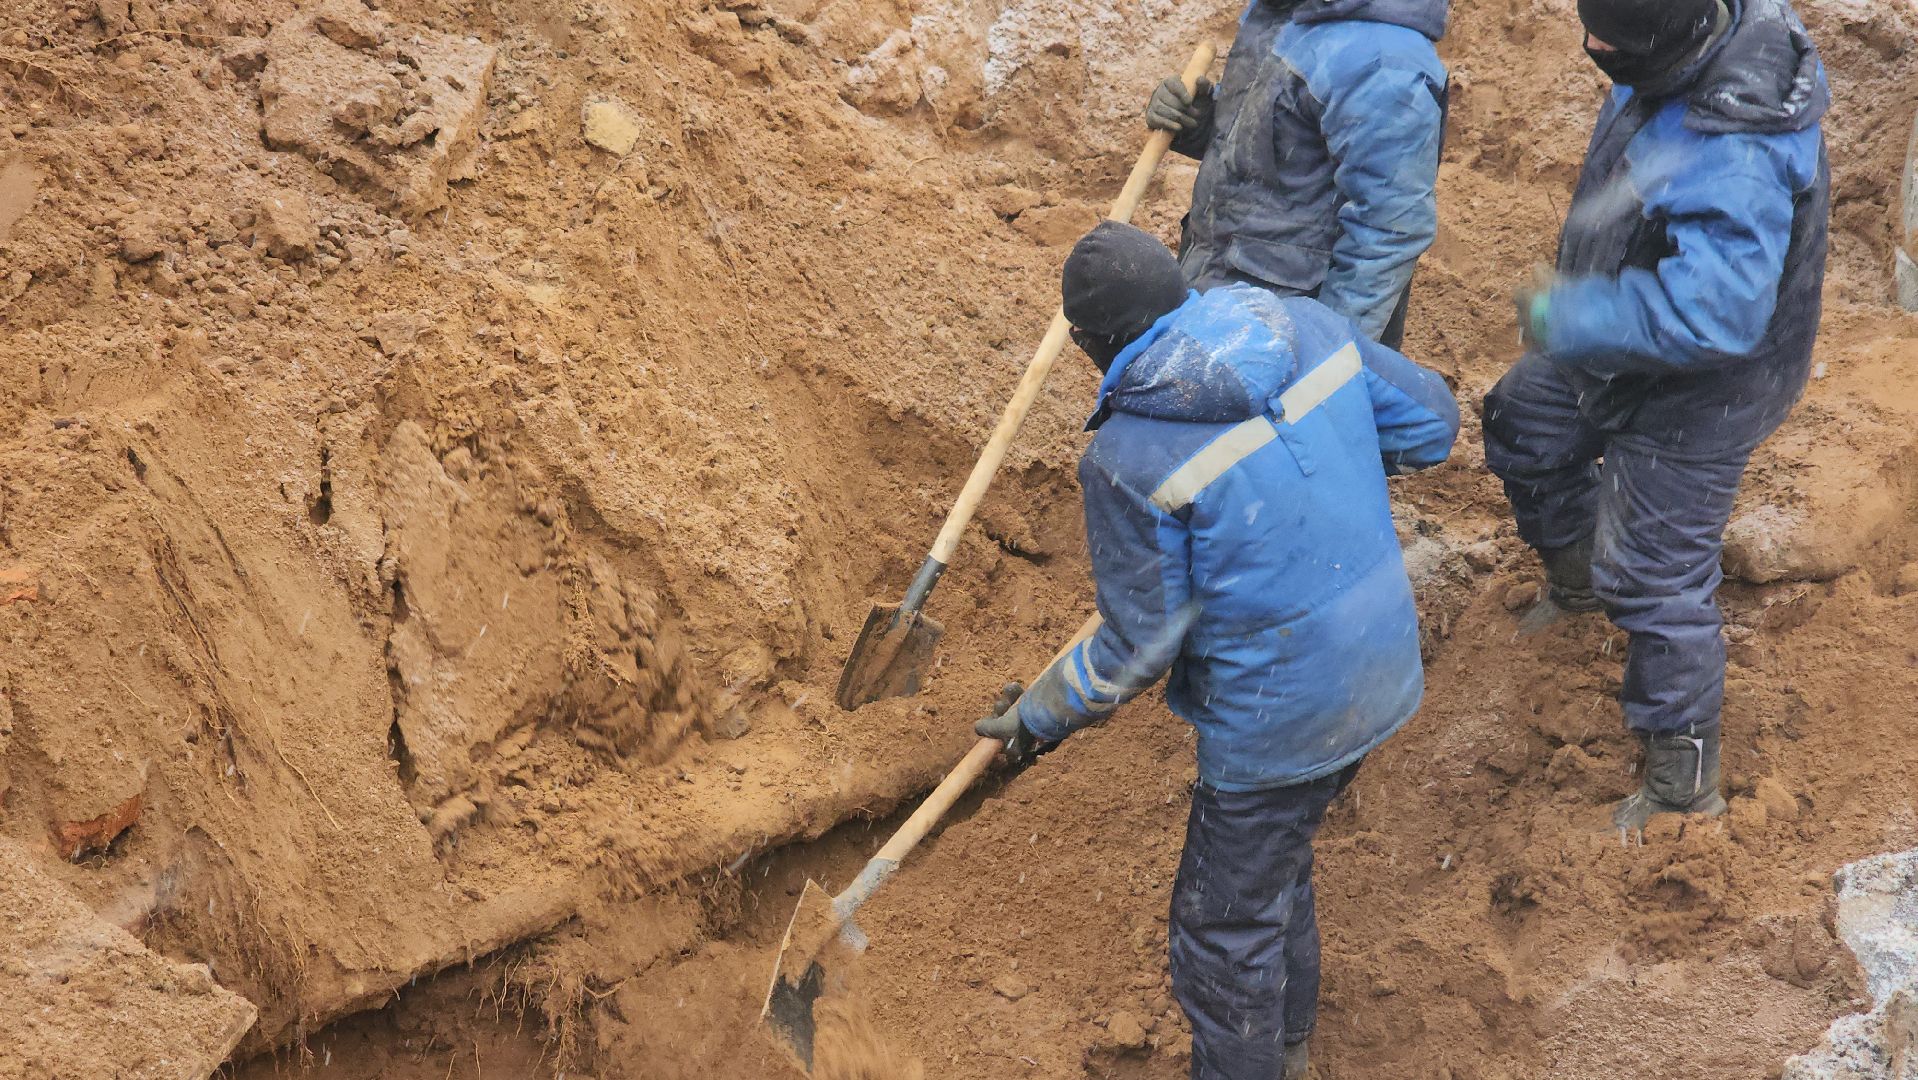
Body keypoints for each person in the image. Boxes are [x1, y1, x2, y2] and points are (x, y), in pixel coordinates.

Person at [977, 222, 1459, 1080]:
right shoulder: (1305, 326)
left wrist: (1039, 715)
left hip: (1282, 718)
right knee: (1273, 866)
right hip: (1383, 660)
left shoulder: (1128, 459)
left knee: (1223, 931)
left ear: (1091, 344)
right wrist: (1310, 467)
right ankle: (1290, 1049)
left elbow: (1135, 648)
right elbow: (1431, 427)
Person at [1481, 0, 1830, 830]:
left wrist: (1575, 317)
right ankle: (1575, 585)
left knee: (1653, 574)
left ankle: (1684, 780)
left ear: (1675, 42)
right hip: (1623, 332)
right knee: (1523, 419)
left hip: (1707, 388)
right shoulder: (1685, 36)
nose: (1591, 48)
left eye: (1611, 42)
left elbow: (1719, 316)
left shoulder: (1735, 148)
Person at [1144, 0, 1450, 349]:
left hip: (1286, 331)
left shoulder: (1382, 60)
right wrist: (1199, 124)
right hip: (1221, 296)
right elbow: (1281, 153)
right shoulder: (1279, 13)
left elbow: (1389, 231)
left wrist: (1325, 359)